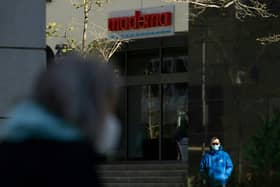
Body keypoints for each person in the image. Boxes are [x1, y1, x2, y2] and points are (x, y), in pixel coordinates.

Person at [0, 56, 121, 187]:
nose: (109, 118)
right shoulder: (73, 170)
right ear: (88, 107)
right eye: (107, 107)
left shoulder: (10, 150)